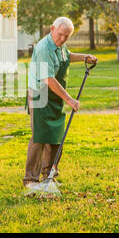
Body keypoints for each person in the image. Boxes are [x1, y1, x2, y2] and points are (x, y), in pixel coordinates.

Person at [23, 17, 97, 189]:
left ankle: (49, 175)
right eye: (61, 35)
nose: (63, 39)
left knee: (55, 136)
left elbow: (67, 57)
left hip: (55, 96)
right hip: (40, 94)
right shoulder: (43, 49)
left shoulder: (60, 46)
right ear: (52, 29)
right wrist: (69, 99)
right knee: (40, 137)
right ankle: (30, 180)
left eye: (67, 37)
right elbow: (48, 79)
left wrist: (85, 57)